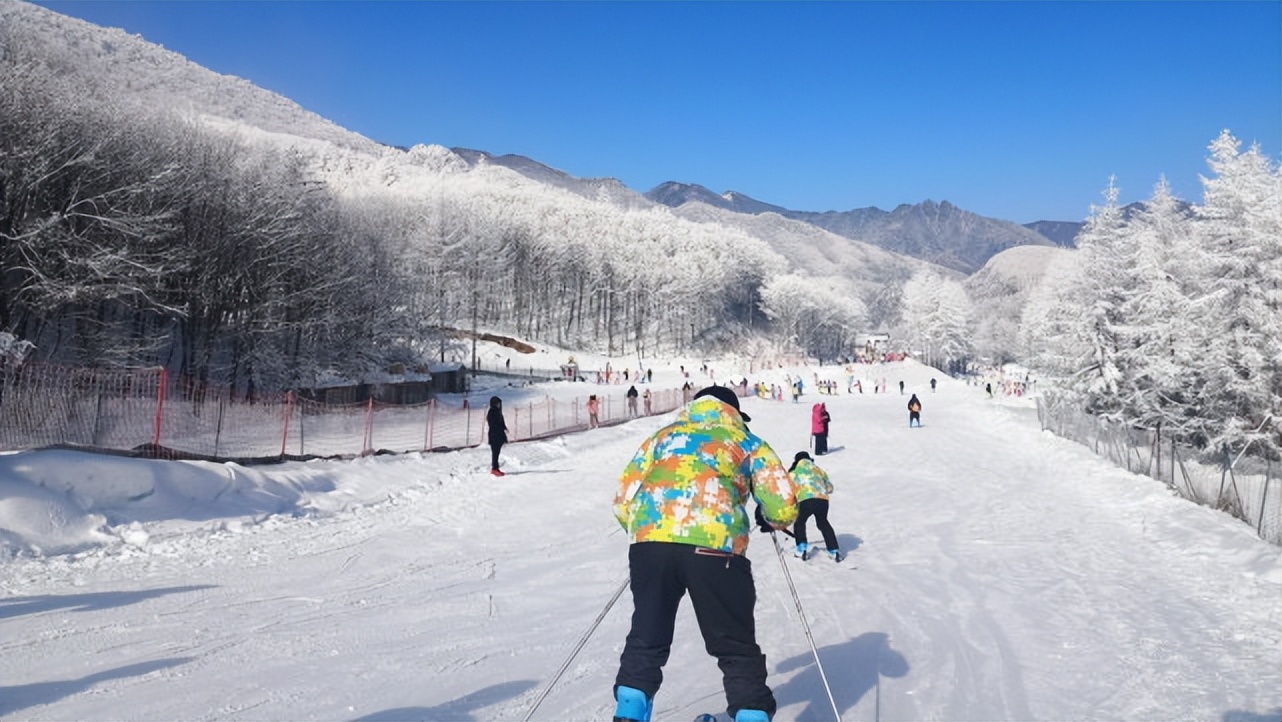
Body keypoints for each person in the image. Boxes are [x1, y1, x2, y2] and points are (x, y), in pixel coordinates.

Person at [612, 385, 798, 722]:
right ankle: (751, 715)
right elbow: (783, 505)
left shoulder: (663, 437)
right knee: (734, 643)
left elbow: (624, 499)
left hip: (650, 544)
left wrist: (650, 533)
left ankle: (630, 710)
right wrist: (770, 517)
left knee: (647, 633)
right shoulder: (747, 441)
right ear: (735, 412)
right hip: (715, 547)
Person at [788, 452, 843, 561]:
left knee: (799, 522)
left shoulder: (794, 473)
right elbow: (830, 488)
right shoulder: (819, 470)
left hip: (805, 500)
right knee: (823, 523)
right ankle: (834, 550)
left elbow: (789, 490)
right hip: (822, 500)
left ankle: (801, 549)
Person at [485, 396, 508, 476]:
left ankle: (496, 468)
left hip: (498, 434)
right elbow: (494, 424)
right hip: (494, 435)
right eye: (498, 403)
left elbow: (501, 421)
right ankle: (494, 468)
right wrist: (499, 428)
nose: (499, 405)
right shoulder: (492, 412)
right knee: (495, 452)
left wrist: (504, 427)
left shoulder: (497, 411)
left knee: (497, 452)